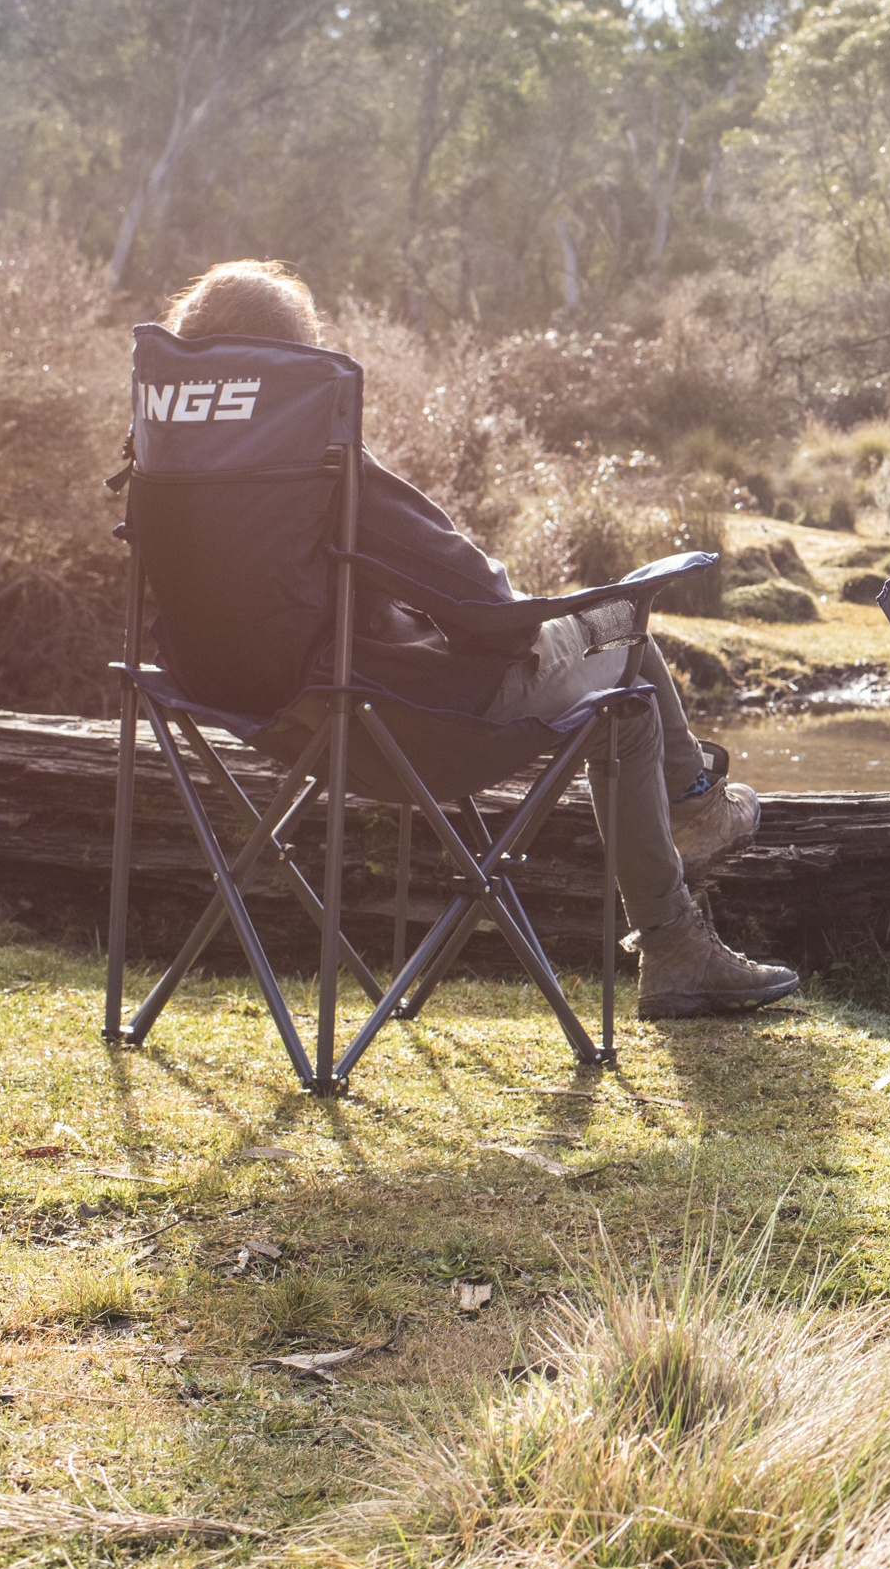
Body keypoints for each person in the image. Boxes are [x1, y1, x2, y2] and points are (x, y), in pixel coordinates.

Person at [160, 261, 797, 1019]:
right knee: (627, 649)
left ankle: (692, 830)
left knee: (618, 659)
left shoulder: (164, 469)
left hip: (261, 719)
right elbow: (484, 601)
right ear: (298, 365)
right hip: (393, 722)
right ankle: (681, 908)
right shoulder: (322, 471)